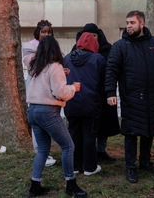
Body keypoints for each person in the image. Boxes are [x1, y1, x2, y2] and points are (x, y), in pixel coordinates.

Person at [105, 10, 154, 183]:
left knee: (148, 131)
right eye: (127, 23)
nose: (128, 26)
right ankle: (130, 167)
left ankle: (145, 162)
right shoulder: (120, 46)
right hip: (131, 98)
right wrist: (110, 92)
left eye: (132, 23)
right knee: (131, 133)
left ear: (141, 24)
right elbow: (111, 69)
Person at [23, 36, 87, 197]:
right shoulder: (55, 67)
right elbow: (60, 93)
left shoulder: (34, 66)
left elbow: (27, 55)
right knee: (68, 146)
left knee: (43, 150)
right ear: (55, 49)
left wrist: (61, 74)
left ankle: (34, 185)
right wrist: (73, 88)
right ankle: (70, 184)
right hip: (48, 112)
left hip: (33, 111)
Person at [72, 23, 120, 161]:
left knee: (104, 124)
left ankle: (101, 150)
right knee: (87, 127)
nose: (91, 38)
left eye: (94, 35)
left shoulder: (107, 49)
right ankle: (89, 153)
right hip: (85, 93)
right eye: (88, 35)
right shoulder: (76, 51)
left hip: (104, 92)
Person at [65, 32, 106, 175]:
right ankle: (89, 167)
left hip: (71, 102)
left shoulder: (67, 58)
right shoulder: (98, 59)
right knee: (89, 134)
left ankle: (75, 166)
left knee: (73, 134)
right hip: (91, 103)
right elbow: (103, 81)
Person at [22, 20, 56, 167]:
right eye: (43, 31)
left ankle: (45, 151)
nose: (46, 34)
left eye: (48, 32)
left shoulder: (54, 47)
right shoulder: (29, 46)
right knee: (38, 121)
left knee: (49, 117)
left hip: (50, 87)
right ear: (38, 32)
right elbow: (33, 65)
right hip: (36, 87)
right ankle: (41, 153)